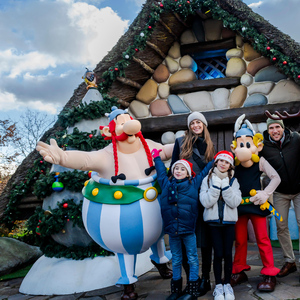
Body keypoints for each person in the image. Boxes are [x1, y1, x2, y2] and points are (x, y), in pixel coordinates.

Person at [152, 148, 213, 300]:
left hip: (188, 231)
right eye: (176, 169)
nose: (179, 171)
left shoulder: (193, 184)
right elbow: (160, 171)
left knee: (192, 258)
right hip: (173, 231)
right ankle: (176, 290)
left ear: (188, 173)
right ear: (173, 172)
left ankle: (192, 290)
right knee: (177, 259)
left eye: (182, 169)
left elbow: (205, 171)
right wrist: (157, 158)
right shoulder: (166, 184)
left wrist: (215, 160)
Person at [230, 115, 281, 292]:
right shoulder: (233, 165)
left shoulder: (260, 162)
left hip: (257, 205)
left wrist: (266, 193)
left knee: (263, 238)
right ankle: (239, 270)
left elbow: (276, 177)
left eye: (247, 143)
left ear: (256, 145)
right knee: (240, 240)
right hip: (239, 206)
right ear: (234, 146)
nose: (243, 147)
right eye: (240, 144)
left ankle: (269, 273)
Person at [170, 111, 215, 296]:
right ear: (189, 126)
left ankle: (205, 279)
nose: (196, 125)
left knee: (204, 241)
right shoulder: (180, 142)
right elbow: (173, 166)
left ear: (204, 125)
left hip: (203, 197)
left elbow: (212, 169)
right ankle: (191, 280)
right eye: (192, 123)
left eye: (199, 122)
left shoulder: (210, 145)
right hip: (184, 198)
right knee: (184, 239)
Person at [260, 116, 300, 279]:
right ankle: (289, 261)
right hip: (279, 193)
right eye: (271, 128)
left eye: (277, 127)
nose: (275, 131)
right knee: (281, 225)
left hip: (299, 190)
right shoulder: (263, 146)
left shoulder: (296, 139)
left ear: (283, 128)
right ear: (267, 130)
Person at [200, 151, 241, 300]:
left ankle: (227, 285)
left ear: (230, 165)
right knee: (217, 254)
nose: (223, 164)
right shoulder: (208, 179)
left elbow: (235, 202)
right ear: (216, 162)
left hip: (229, 223)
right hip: (213, 223)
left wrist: (226, 188)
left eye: (226, 162)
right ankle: (218, 285)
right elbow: (205, 202)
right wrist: (216, 188)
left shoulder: (233, 181)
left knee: (227, 254)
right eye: (221, 161)